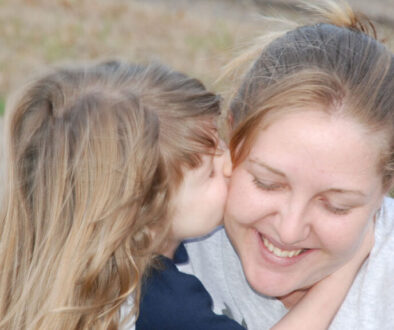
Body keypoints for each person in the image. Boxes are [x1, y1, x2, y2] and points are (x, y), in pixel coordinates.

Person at [0, 58, 369, 330]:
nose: (228, 165)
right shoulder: (154, 301)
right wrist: (343, 271)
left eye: (218, 143)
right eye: (209, 172)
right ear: (144, 215)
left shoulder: (44, 267)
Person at [179, 0, 394, 329]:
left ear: (385, 187)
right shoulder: (174, 235)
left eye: (336, 206)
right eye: (267, 183)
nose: (289, 230)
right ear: (230, 136)